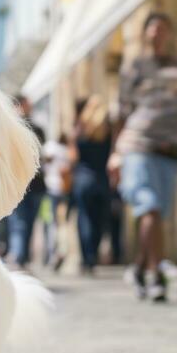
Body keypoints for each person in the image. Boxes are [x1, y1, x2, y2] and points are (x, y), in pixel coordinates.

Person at [108, 12, 177, 302]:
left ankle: (139, 267)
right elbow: (121, 113)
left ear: (169, 33)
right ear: (145, 34)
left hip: (170, 150)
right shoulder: (135, 68)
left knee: (155, 215)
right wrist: (115, 153)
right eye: (152, 28)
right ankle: (157, 275)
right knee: (149, 207)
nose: (157, 33)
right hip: (138, 146)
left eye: (162, 28)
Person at [70, 96, 112, 273]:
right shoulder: (108, 131)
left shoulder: (80, 130)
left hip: (83, 179)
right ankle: (93, 253)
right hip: (102, 179)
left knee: (84, 218)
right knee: (99, 220)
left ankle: (88, 258)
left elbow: (73, 157)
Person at [7, 95, 45, 269]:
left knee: (24, 223)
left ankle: (21, 258)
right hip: (28, 184)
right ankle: (20, 258)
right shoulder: (13, 129)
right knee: (23, 223)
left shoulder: (35, 129)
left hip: (31, 184)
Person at [42, 132, 71, 270]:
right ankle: (59, 251)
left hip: (49, 189)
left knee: (49, 222)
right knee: (61, 222)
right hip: (64, 190)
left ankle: (51, 254)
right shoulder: (67, 150)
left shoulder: (50, 147)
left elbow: (43, 163)